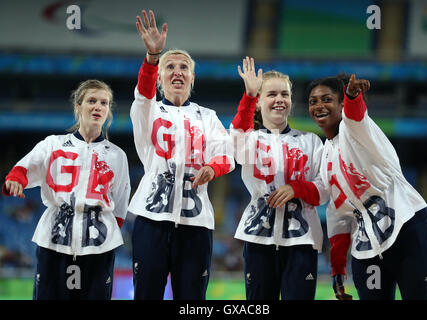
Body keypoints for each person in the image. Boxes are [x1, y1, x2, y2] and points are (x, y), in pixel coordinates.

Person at [128, 10, 235, 300]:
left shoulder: (208, 116)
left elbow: (226, 154)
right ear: (160, 77)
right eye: (170, 66)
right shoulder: (146, 110)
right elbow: (143, 93)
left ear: (192, 76)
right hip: (151, 221)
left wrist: (213, 168)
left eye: (184, 67)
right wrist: (152, 57)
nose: (177, 71)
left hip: (196, 224)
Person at [306, 74, 427, 300]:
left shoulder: (355, 129)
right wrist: (337, 270)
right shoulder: (325, 154)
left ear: (340, 105)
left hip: (406, 225)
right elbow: (338, 214)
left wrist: (352, 96)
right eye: (313, 101)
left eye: (327, 99)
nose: (319, 105)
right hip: (367, 245)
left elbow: (355, 114)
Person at [2, 79, 131, 300]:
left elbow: (120, 204)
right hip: (54, 240)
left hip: (98, 246)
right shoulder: (53, 144)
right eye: (91, 101)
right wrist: (15, 180)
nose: (98, 107)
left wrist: (103, 229)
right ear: (78, 107)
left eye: (104, 102)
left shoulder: (117, 155)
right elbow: (23, 169)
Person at [230, 57, 327, 300]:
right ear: (260, 102)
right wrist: (249, 96)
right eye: (271, 94)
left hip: (302, 240)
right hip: (258, 238)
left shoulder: (311, 141)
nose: (279, 99)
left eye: (285, 94)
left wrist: (297, 188)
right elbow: (236, 139)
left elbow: (325, 190)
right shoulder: (250, 140)